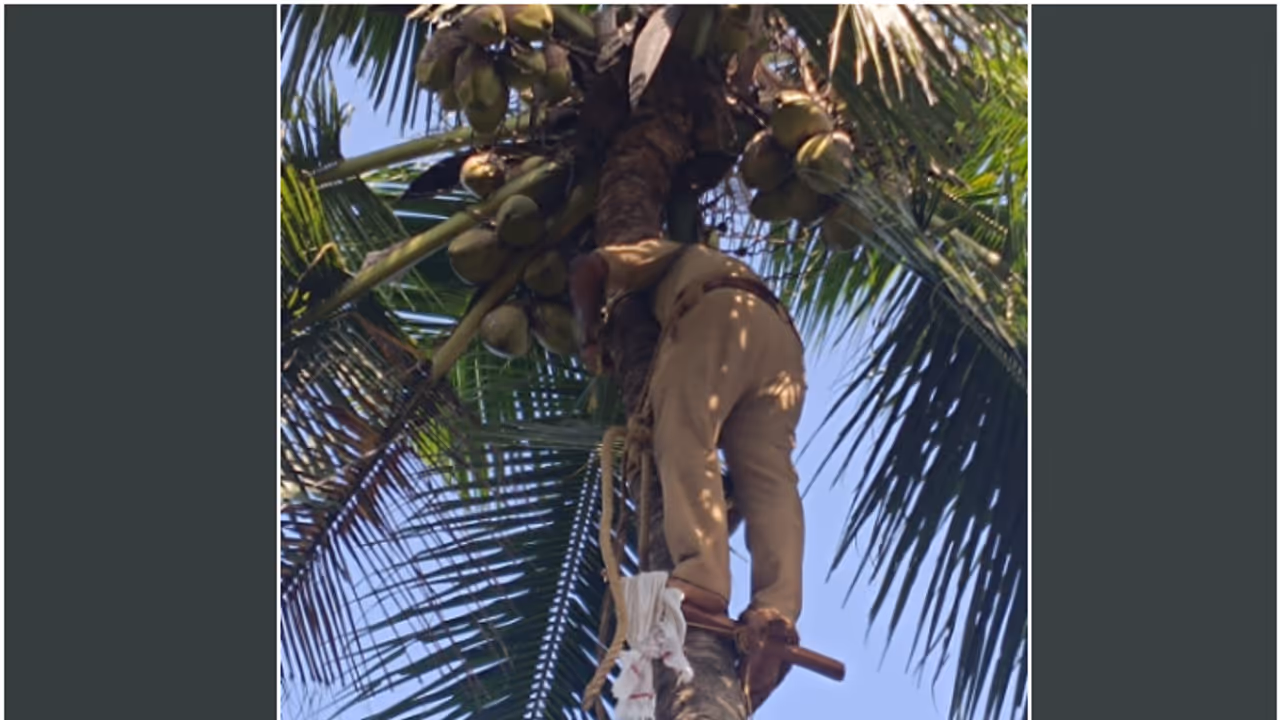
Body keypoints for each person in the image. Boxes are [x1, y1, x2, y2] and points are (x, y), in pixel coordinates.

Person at [569, 236, 808, 709]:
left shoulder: (668, 252)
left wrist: (589, 336)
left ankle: (702, 579)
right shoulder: (724, 262)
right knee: (770, 479)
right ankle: (776, 611)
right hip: (782, 346)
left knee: (684, 431)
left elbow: (588, 268)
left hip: (715, 311)